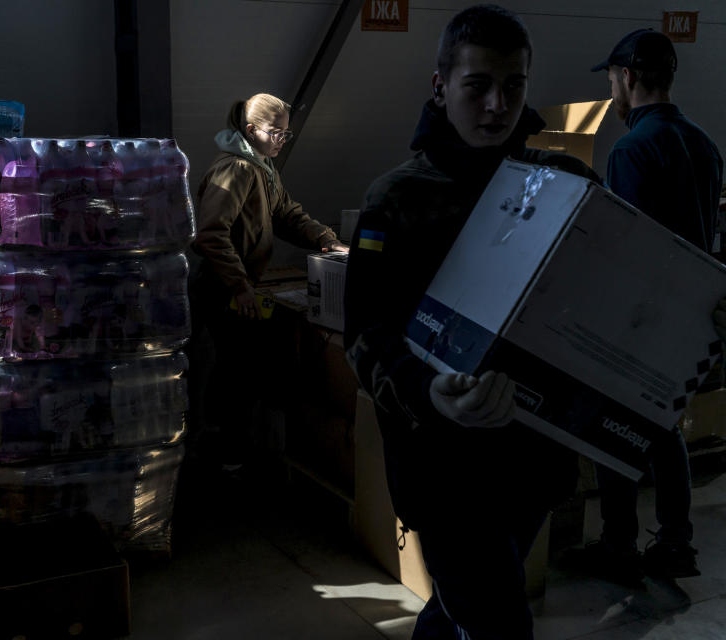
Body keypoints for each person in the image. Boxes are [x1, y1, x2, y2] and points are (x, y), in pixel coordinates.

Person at [344, 5, 601, 638]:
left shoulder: (563, 186)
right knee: (498, 622)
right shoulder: (397, 200)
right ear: (440, 85)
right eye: (477, 85)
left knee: (469, 605)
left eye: (513, 86)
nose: (497, 104)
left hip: (532, 457)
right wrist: (427, 393)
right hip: (444, 468)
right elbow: (363, 335)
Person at [577, 28, 724, 583]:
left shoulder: (632, 149)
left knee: (611, 426)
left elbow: (628, 247)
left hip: (639, 314)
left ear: (629, 77)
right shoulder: (703, 142)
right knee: (664, 428)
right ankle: (676, 543)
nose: (613, 89)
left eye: (613, 79)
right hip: (689, 314)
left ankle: (618, 544)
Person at [190, 93, 347, 471]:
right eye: (276, 132)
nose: (281, 139)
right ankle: (225, 454)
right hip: (222, 285)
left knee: (243, 365)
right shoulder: (237, 169)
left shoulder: (262, 166)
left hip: (238, 284)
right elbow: (210, 235)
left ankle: (235, 448)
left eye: (286, 134)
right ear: (250, 130)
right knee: (237, 367)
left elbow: (286, 214)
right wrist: (240, 287)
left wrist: (326, 238)